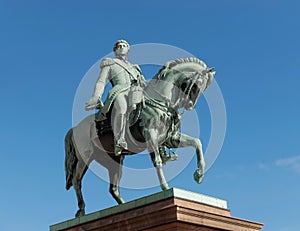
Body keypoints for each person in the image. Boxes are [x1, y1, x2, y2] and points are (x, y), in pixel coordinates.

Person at [85, 40, 146, 156]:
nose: (121, 48)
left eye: (124, 46)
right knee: (122, 109)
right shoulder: (110, 63)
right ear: (115, 50)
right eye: (119, 46)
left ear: (128, 49)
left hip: (135, 93)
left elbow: (143, 83)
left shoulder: (135, 68)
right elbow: (101, 82)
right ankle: (120, 140)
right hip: (119, 91)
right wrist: (96, 96)